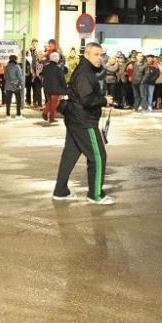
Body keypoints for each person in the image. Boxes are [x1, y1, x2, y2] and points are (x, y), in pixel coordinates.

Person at [52, 42, 113, 205]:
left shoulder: (86, 70)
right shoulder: (84, 73)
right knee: (98, 157)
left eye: (101, 55)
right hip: (84, 120)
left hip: (75, 118)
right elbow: (87, 99)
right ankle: (96, 194)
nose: (100, 58)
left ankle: (60, 191)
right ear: (86, 55)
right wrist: (104, 100)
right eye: (96, 54)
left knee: (70, 155)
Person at [41, 51, 67, 124]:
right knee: (54, 104)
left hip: (47, 88)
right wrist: (65, 89)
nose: (58, 59)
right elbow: (62, 79)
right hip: (56, 89)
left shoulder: (46, 67)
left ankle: (45, 113)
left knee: (50, 102)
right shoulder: (58, 68)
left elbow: (43, 75)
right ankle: (51, 118)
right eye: (58, 58)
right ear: (56, 59)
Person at [3, 54, 25, 119]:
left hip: (8, 86)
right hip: (16, 86)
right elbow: (20, 77)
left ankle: (8, 115)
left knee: (8, 101)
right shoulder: (17, 66)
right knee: (18, 100)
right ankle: (18, 114)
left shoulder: (6, 67)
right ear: (15, 59)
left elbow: (5, 77)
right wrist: (21, 83)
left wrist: (10, 82)